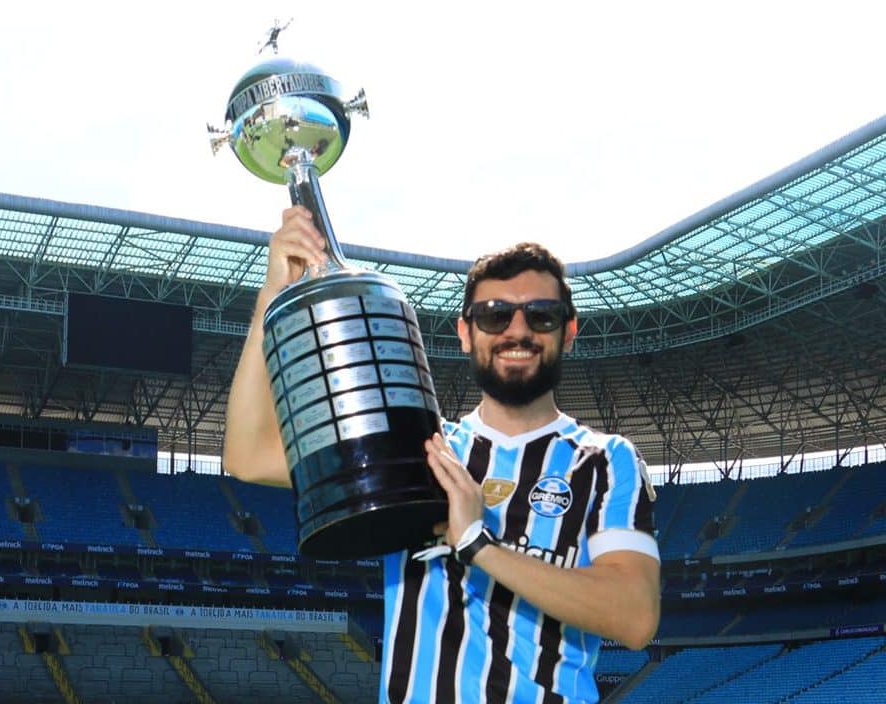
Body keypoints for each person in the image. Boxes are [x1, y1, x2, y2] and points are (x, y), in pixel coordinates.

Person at [223, 206, 661, 703]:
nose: (517, 331)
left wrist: (478, 544)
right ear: (465, 332)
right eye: (495, 315)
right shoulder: (418, 448)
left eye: (540, 315)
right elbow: (248, 456)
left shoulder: (605, 461)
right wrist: (271, 301)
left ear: (569, 331)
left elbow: (635, 617)